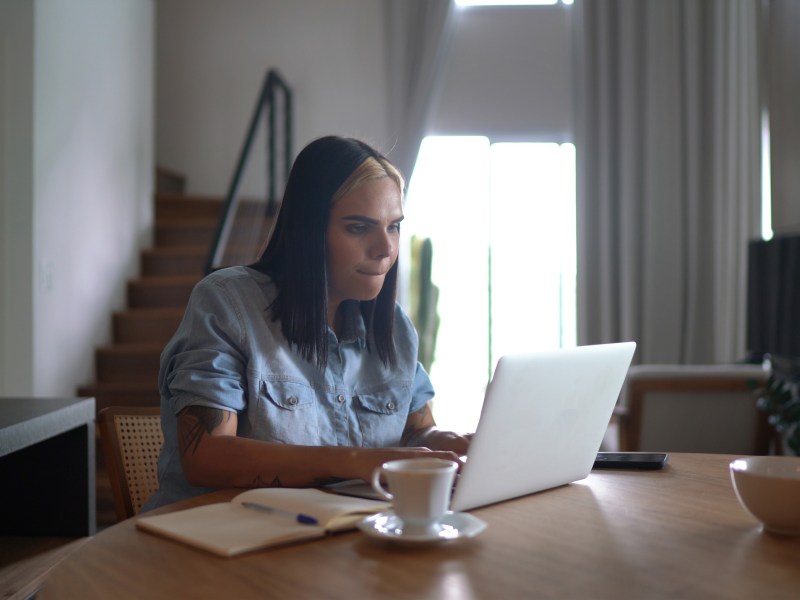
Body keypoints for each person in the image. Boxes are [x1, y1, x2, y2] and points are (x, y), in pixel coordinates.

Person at [143, 135, 471, 510]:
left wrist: (459, 444)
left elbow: (416, 432)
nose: (385, 249)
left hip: (337, 541)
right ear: (308, 231)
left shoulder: (394, 327)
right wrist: (356, 462)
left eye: (393, 226)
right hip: (217, 541)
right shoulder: (229, 303)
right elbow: (206, 455)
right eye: (359, 227)